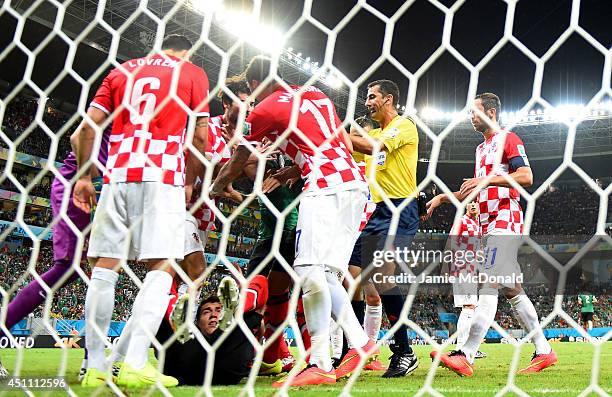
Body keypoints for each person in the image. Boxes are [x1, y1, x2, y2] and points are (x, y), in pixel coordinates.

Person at [211, 55, 375, 387]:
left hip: (324, 187)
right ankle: (360, 344)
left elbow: (242, 156)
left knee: (308, 270)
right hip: (356, 186)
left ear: (255, 85)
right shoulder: (317, 96)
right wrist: (294, 167)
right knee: (326, 274)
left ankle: (319, 363)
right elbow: (334, 141)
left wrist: (215, 188)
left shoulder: (265, 109)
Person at [72, 34, 210, 388]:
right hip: (161, 175)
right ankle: (134, 361)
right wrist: (190, 182)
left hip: (117, 175)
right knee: (162, 264)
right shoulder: (191, 72)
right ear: (187, 49)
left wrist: (84, 177)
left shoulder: (120, 72)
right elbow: (199, 138)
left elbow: (85, 130)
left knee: (105, 265)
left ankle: (95, 367)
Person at [427, 92, 557, 376]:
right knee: (512, 288)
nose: (470, 117)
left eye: (475, 111)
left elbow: (526, 176)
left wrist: (486, 180)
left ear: (492, 112)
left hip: (506, 218)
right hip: (486, 224)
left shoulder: (508, 139)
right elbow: (475, 189)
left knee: (488, 279)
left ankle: (467, 354)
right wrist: (448, 199)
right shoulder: (480, 149)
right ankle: (544, 350)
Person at [0, 122, 110, 380]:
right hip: (79, 186)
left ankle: (92, 363)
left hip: (109, 192)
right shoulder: (123, 100)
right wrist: (90, 175)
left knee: (107, 268)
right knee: (69, 269)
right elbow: (78, 136)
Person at [347, 80, 420, 377]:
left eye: (372, 96)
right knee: (351, 276)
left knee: (384, 275)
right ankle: (356, 347)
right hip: (378, 211)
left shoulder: (404, 126)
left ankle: (404, 351)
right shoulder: (373, 132)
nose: (367, 102)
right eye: (366, 97)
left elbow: (370, 146)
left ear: (389, 99)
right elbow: (348, 151)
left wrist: (338, 132)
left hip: (401, 207)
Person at [156, 273, 268, 385]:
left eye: (219, 310)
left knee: (233, 327)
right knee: (174, 328)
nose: (213, 315)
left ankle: (238, 307)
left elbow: (261, 282)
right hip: (190, 362)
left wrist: (241, 305)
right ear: (197, 322)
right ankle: (177, 317)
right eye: (207, 311)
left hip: (225, 363)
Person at [444, 201, 486, 359]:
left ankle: (466, 347)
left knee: (471, 307)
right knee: (469, 307)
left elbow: (479, 249)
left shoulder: (478, 225)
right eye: (470, 203)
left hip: (472, 268)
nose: (473, 205)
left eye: (476, 202)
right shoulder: (461, 221)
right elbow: (451, 242)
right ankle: (462, 347)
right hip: (462, 266)